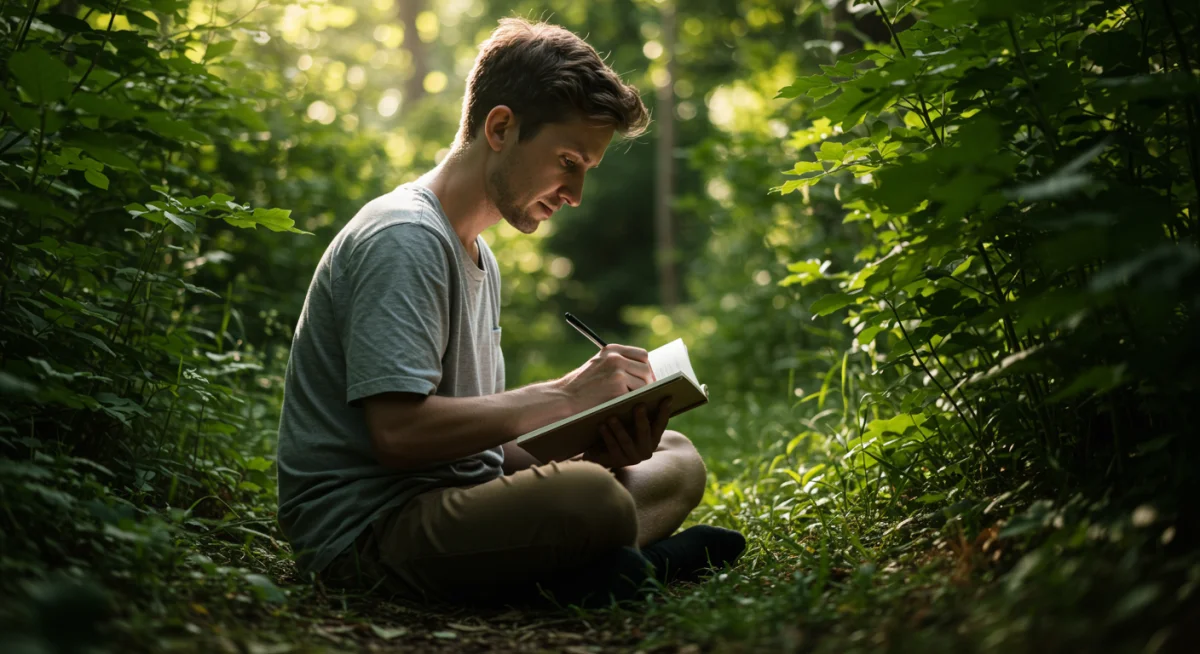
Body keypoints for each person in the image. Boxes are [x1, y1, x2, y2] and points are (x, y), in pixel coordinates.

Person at [276, 17, 745, 608]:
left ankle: (588, 567)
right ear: (501, 127)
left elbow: (482, 454)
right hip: (370, 534)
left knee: (676, 459)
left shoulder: (479, 255)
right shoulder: (404, 236)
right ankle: (609, 567)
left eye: (584, 171)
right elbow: (398, 435)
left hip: (455, 504)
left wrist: (599, 446)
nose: (574, 194)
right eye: (568, 160)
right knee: (590, 497)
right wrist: (565, 396)